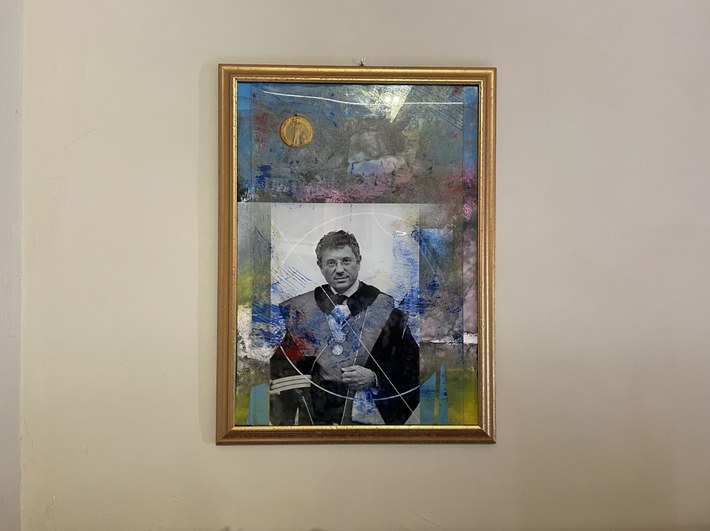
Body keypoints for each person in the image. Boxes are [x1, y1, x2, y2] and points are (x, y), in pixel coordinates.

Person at [269, 230, 420, 425]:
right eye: (331, 263)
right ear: (320, 266)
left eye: (346, 261)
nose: (339, 269)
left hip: (367, 421)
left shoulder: (388, 310)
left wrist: (375, 378)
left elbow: (413, 367)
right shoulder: (301, 311)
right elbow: (282, 369)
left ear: (359, 261)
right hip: (317, 418)